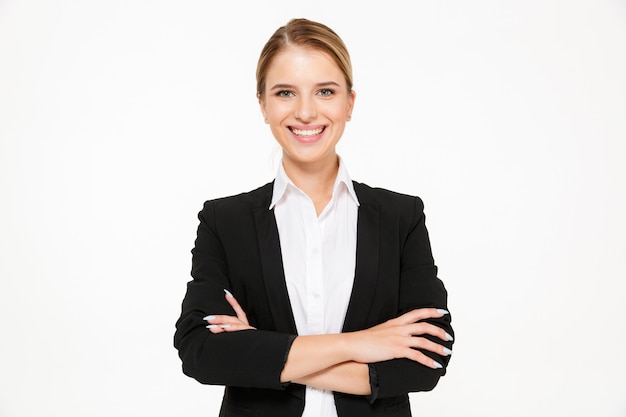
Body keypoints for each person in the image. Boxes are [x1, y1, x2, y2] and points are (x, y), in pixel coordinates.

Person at [174, 18, 454, 417]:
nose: (306, 112)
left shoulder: (400, 218)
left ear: (349, 103)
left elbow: (429, 356)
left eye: (325, 91)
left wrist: (261, 351)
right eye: (285, 92)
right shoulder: (224, 221)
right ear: (263, 105)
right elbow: (200, 352)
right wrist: (358, 343)